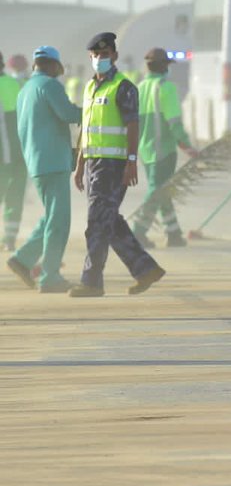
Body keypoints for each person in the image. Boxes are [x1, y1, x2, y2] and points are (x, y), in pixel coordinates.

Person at [69, 32, 166, 298]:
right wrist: (79, 164)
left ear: (114, 56)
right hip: (92, 163)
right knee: (108, 220)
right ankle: (145, 268)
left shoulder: (123, 87)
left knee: (97, 222)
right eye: (95, 55)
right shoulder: (90, 88)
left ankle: (91, 280)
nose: (99, 59)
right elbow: (85, 129)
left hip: (113, 164)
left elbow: (133, 125)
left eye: (104, 55)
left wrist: (131, 161)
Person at [6, 46, 81, 292]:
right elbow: (69, 113)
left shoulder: (25, 88)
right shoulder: (50, 86)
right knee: (59, 221)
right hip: (53, 161)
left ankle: (23, 259)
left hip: (37, 161)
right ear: (52, 66)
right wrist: (95, 111)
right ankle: (50, 276)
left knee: (51, 217)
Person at [131, 48, 199, 249]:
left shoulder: (140, 88)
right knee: (157, 190)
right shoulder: (166, 88)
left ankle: (173, 232)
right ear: (164, 67)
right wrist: (187, 146)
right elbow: (174, 123)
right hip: (164, 150)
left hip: (146, 150)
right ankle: (138, 232)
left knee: (162, 190)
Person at [0, 51, 28, 250]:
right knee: (15, 197)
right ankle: (9, 239)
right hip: (20, 153)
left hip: (4, 155)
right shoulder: (18, 85)